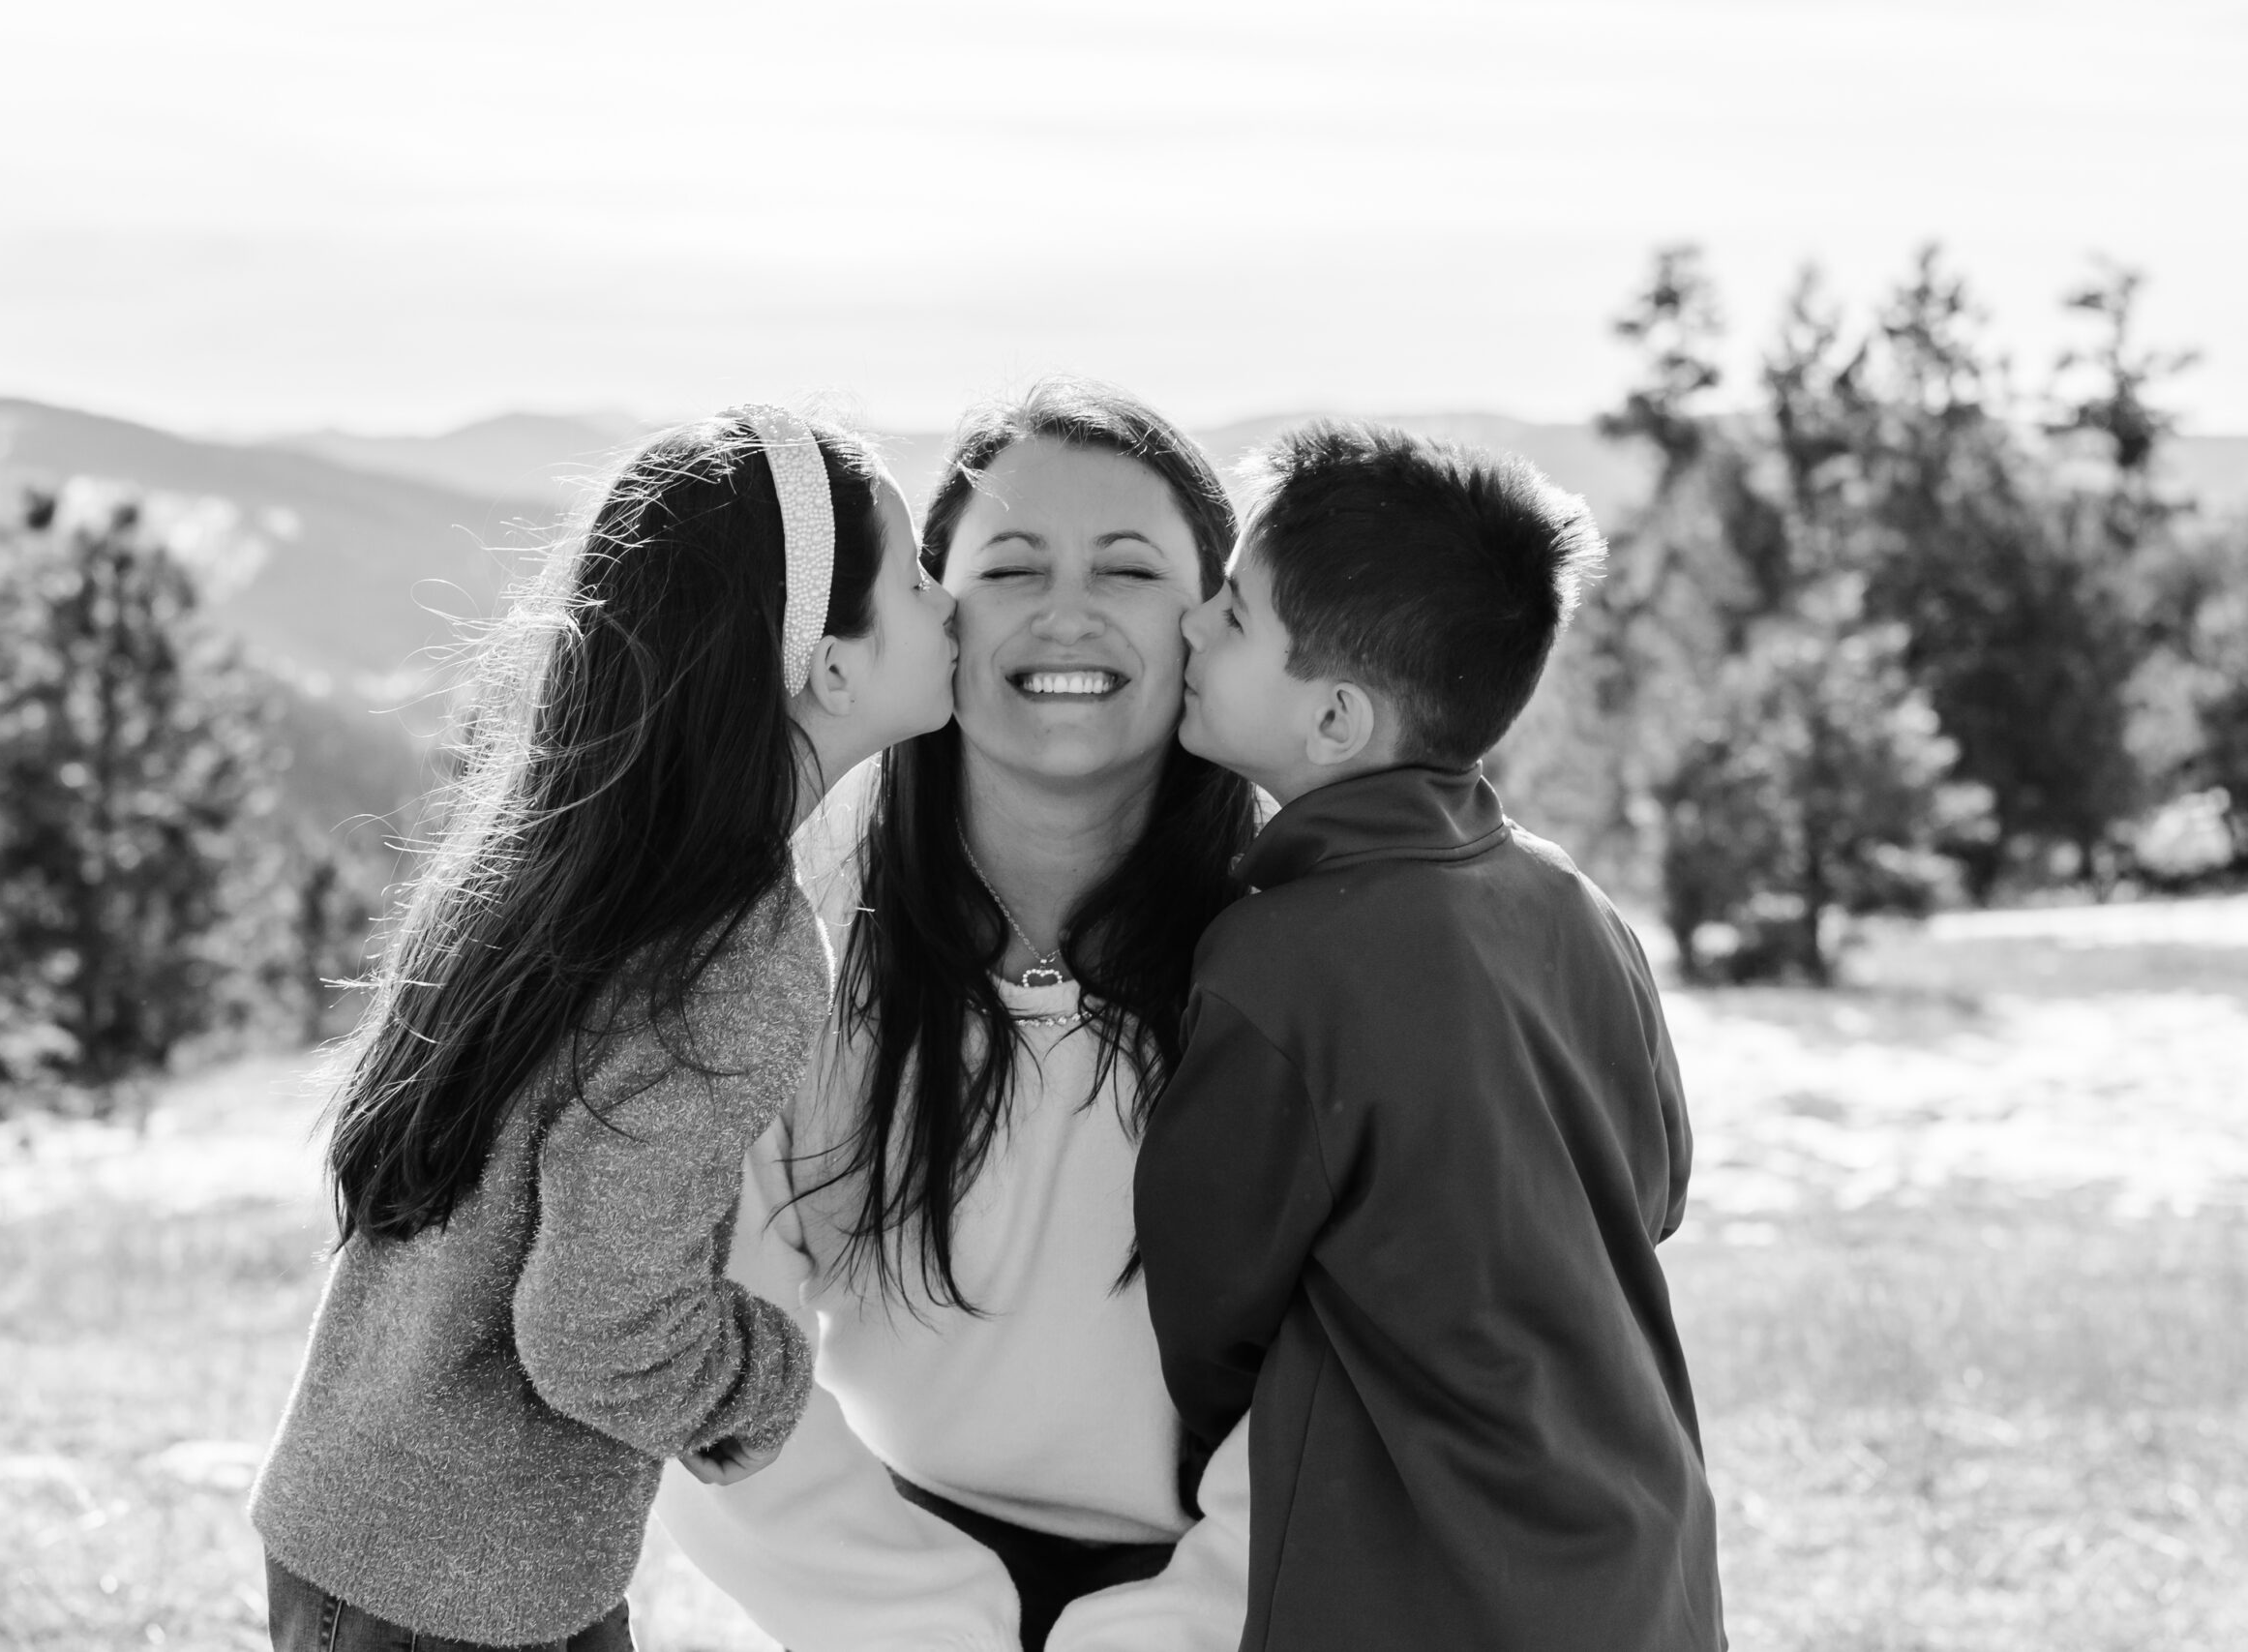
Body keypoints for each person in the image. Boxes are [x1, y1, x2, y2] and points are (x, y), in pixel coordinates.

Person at [248, 407, 958, 1652]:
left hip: (372, 1540)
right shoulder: (737, 954)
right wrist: (769, 1377)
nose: (946, 603)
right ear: (829, 667)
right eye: (911, 580)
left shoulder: (568, 864)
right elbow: (597, 1334)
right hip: (458, 1600)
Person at [657, 380, 1263, 1652]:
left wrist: (1182, 1624)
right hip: (894, 1589)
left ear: (1217, 620)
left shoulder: (1305, 970)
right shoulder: (786, 958)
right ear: (929, 615)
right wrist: (931, 1618)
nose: (1067, 609)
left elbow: (1380, 1376)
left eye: (1131, 566)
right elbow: (697, 1354)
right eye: (1012, 563)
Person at [1134, 421, 1724, 1651]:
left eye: (1233, 616)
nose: (1192, 624)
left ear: (1336, 720)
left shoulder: (1277, 962)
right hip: (1641, 1554)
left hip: (1427, 1580)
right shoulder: (1570, 899)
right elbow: (1654, 1188)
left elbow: (1205, 1308)